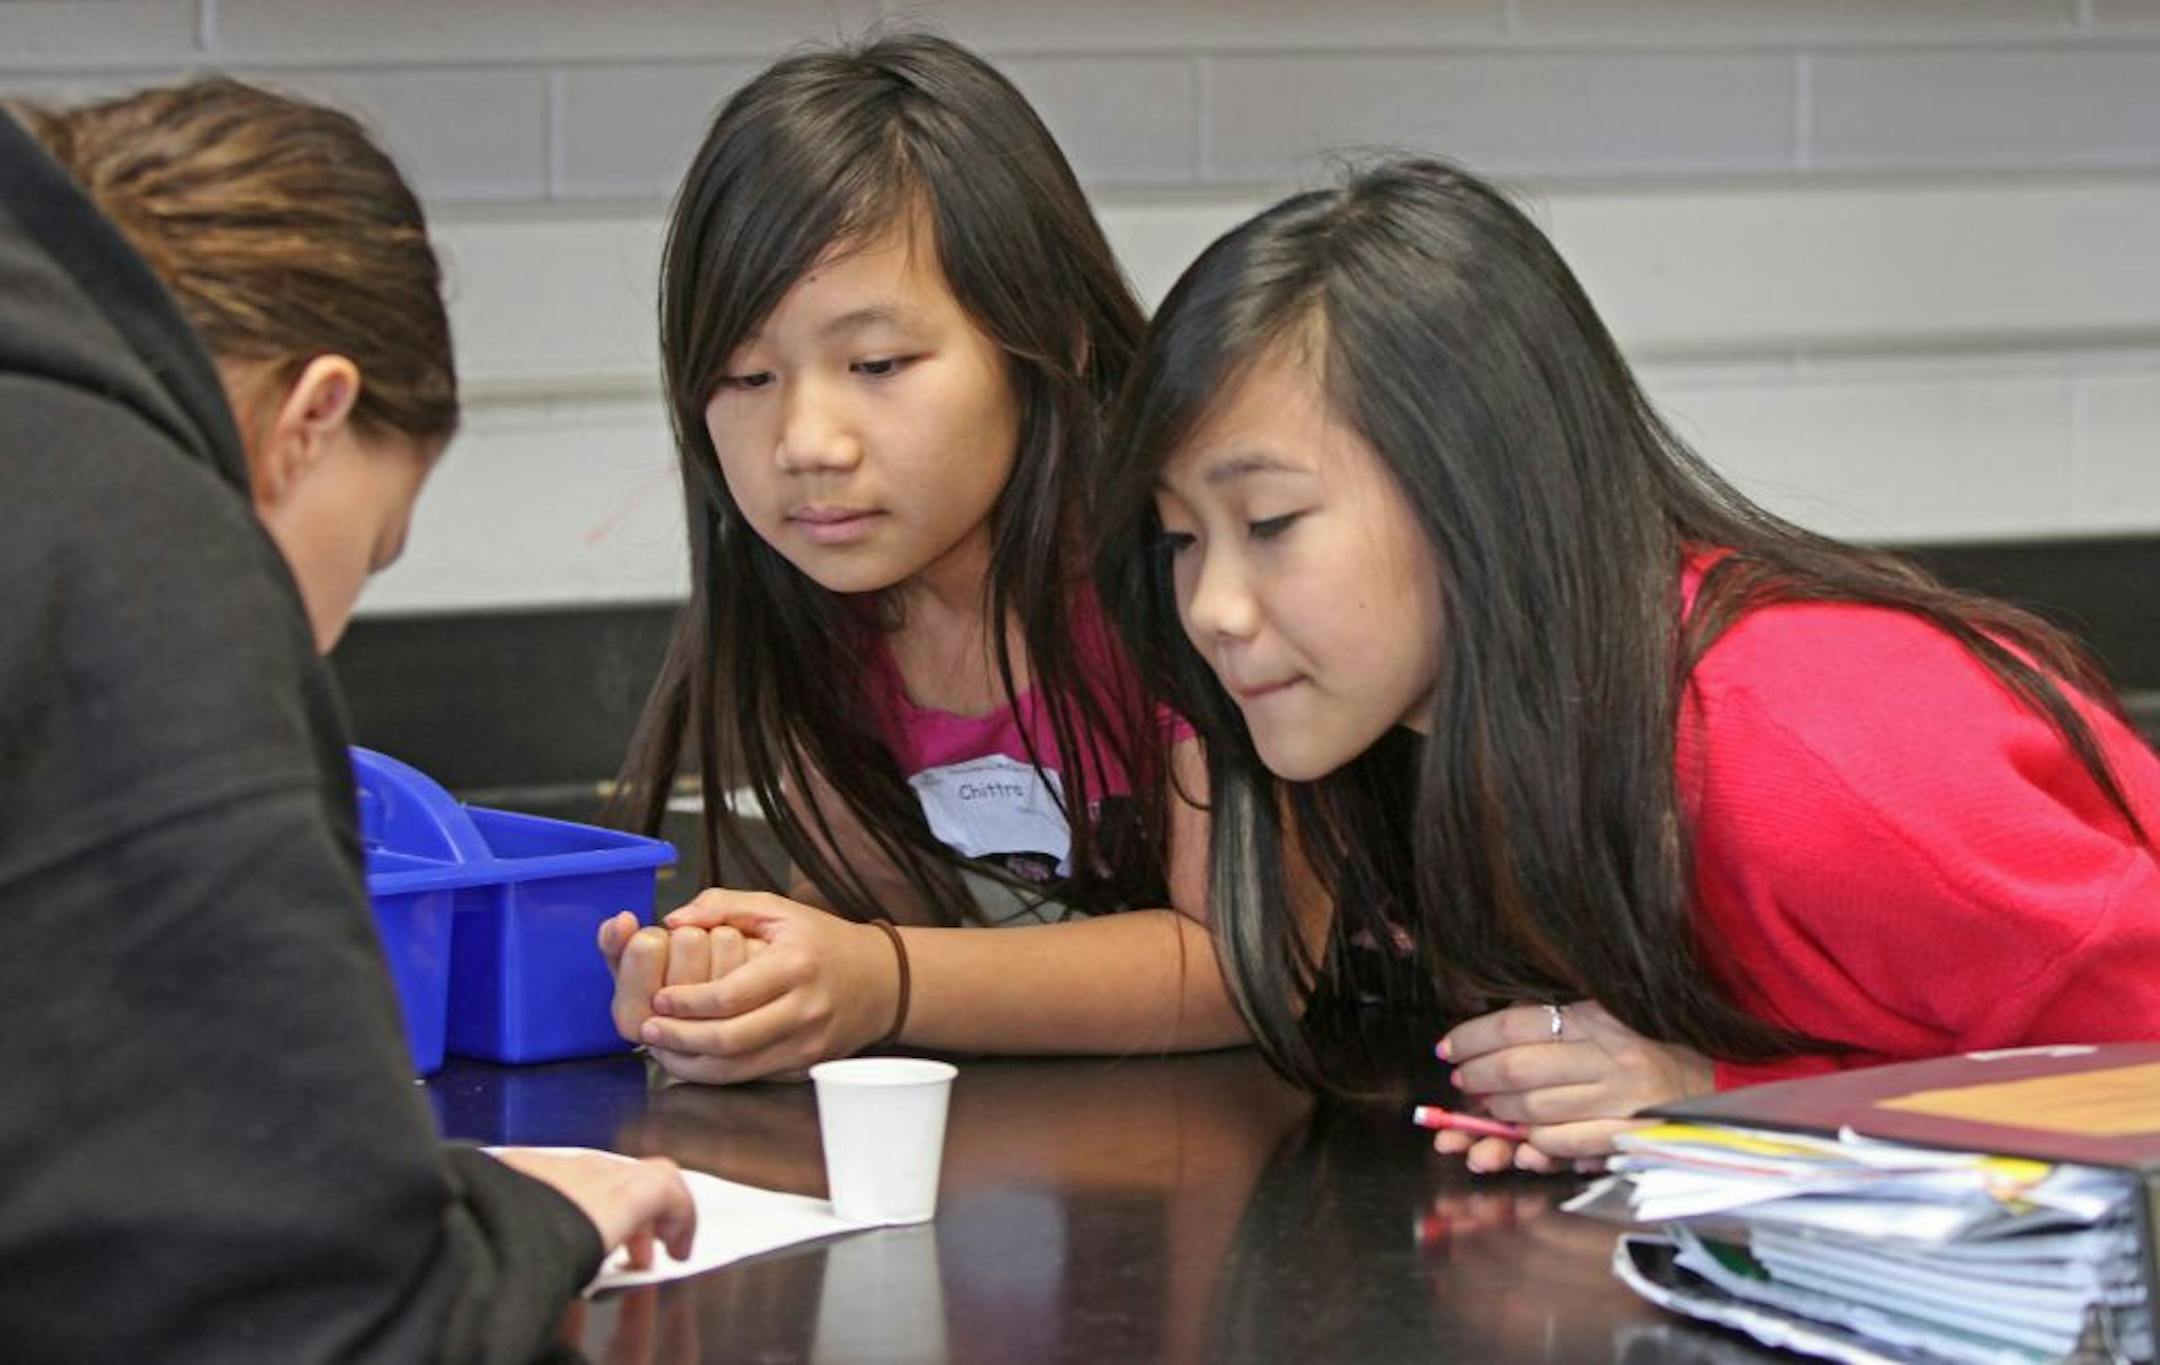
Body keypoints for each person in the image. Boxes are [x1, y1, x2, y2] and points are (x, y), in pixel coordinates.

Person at [1094, 157, 2160, 1176]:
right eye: (1181, 538)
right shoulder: (1456, 746)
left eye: (1271, 522)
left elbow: (2137, 1078)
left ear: (1474, 489)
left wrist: (1726, 1090)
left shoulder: (1799, 759)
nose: (1211, 608)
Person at [0, 79, 693, 1362]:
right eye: (370, 550)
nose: (318, 638)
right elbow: (327, 1314)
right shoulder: (139, 562)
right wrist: (520, 1233)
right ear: (312, 416)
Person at [599, 34, 1244, 1084]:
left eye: (878, 364)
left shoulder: (1185, 578)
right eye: (745, 376)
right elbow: (870, 914)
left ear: (1053, 335)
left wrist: (880, 980)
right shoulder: (824, 605)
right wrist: (733, 988)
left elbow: (1241, 964)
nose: (807, 441)